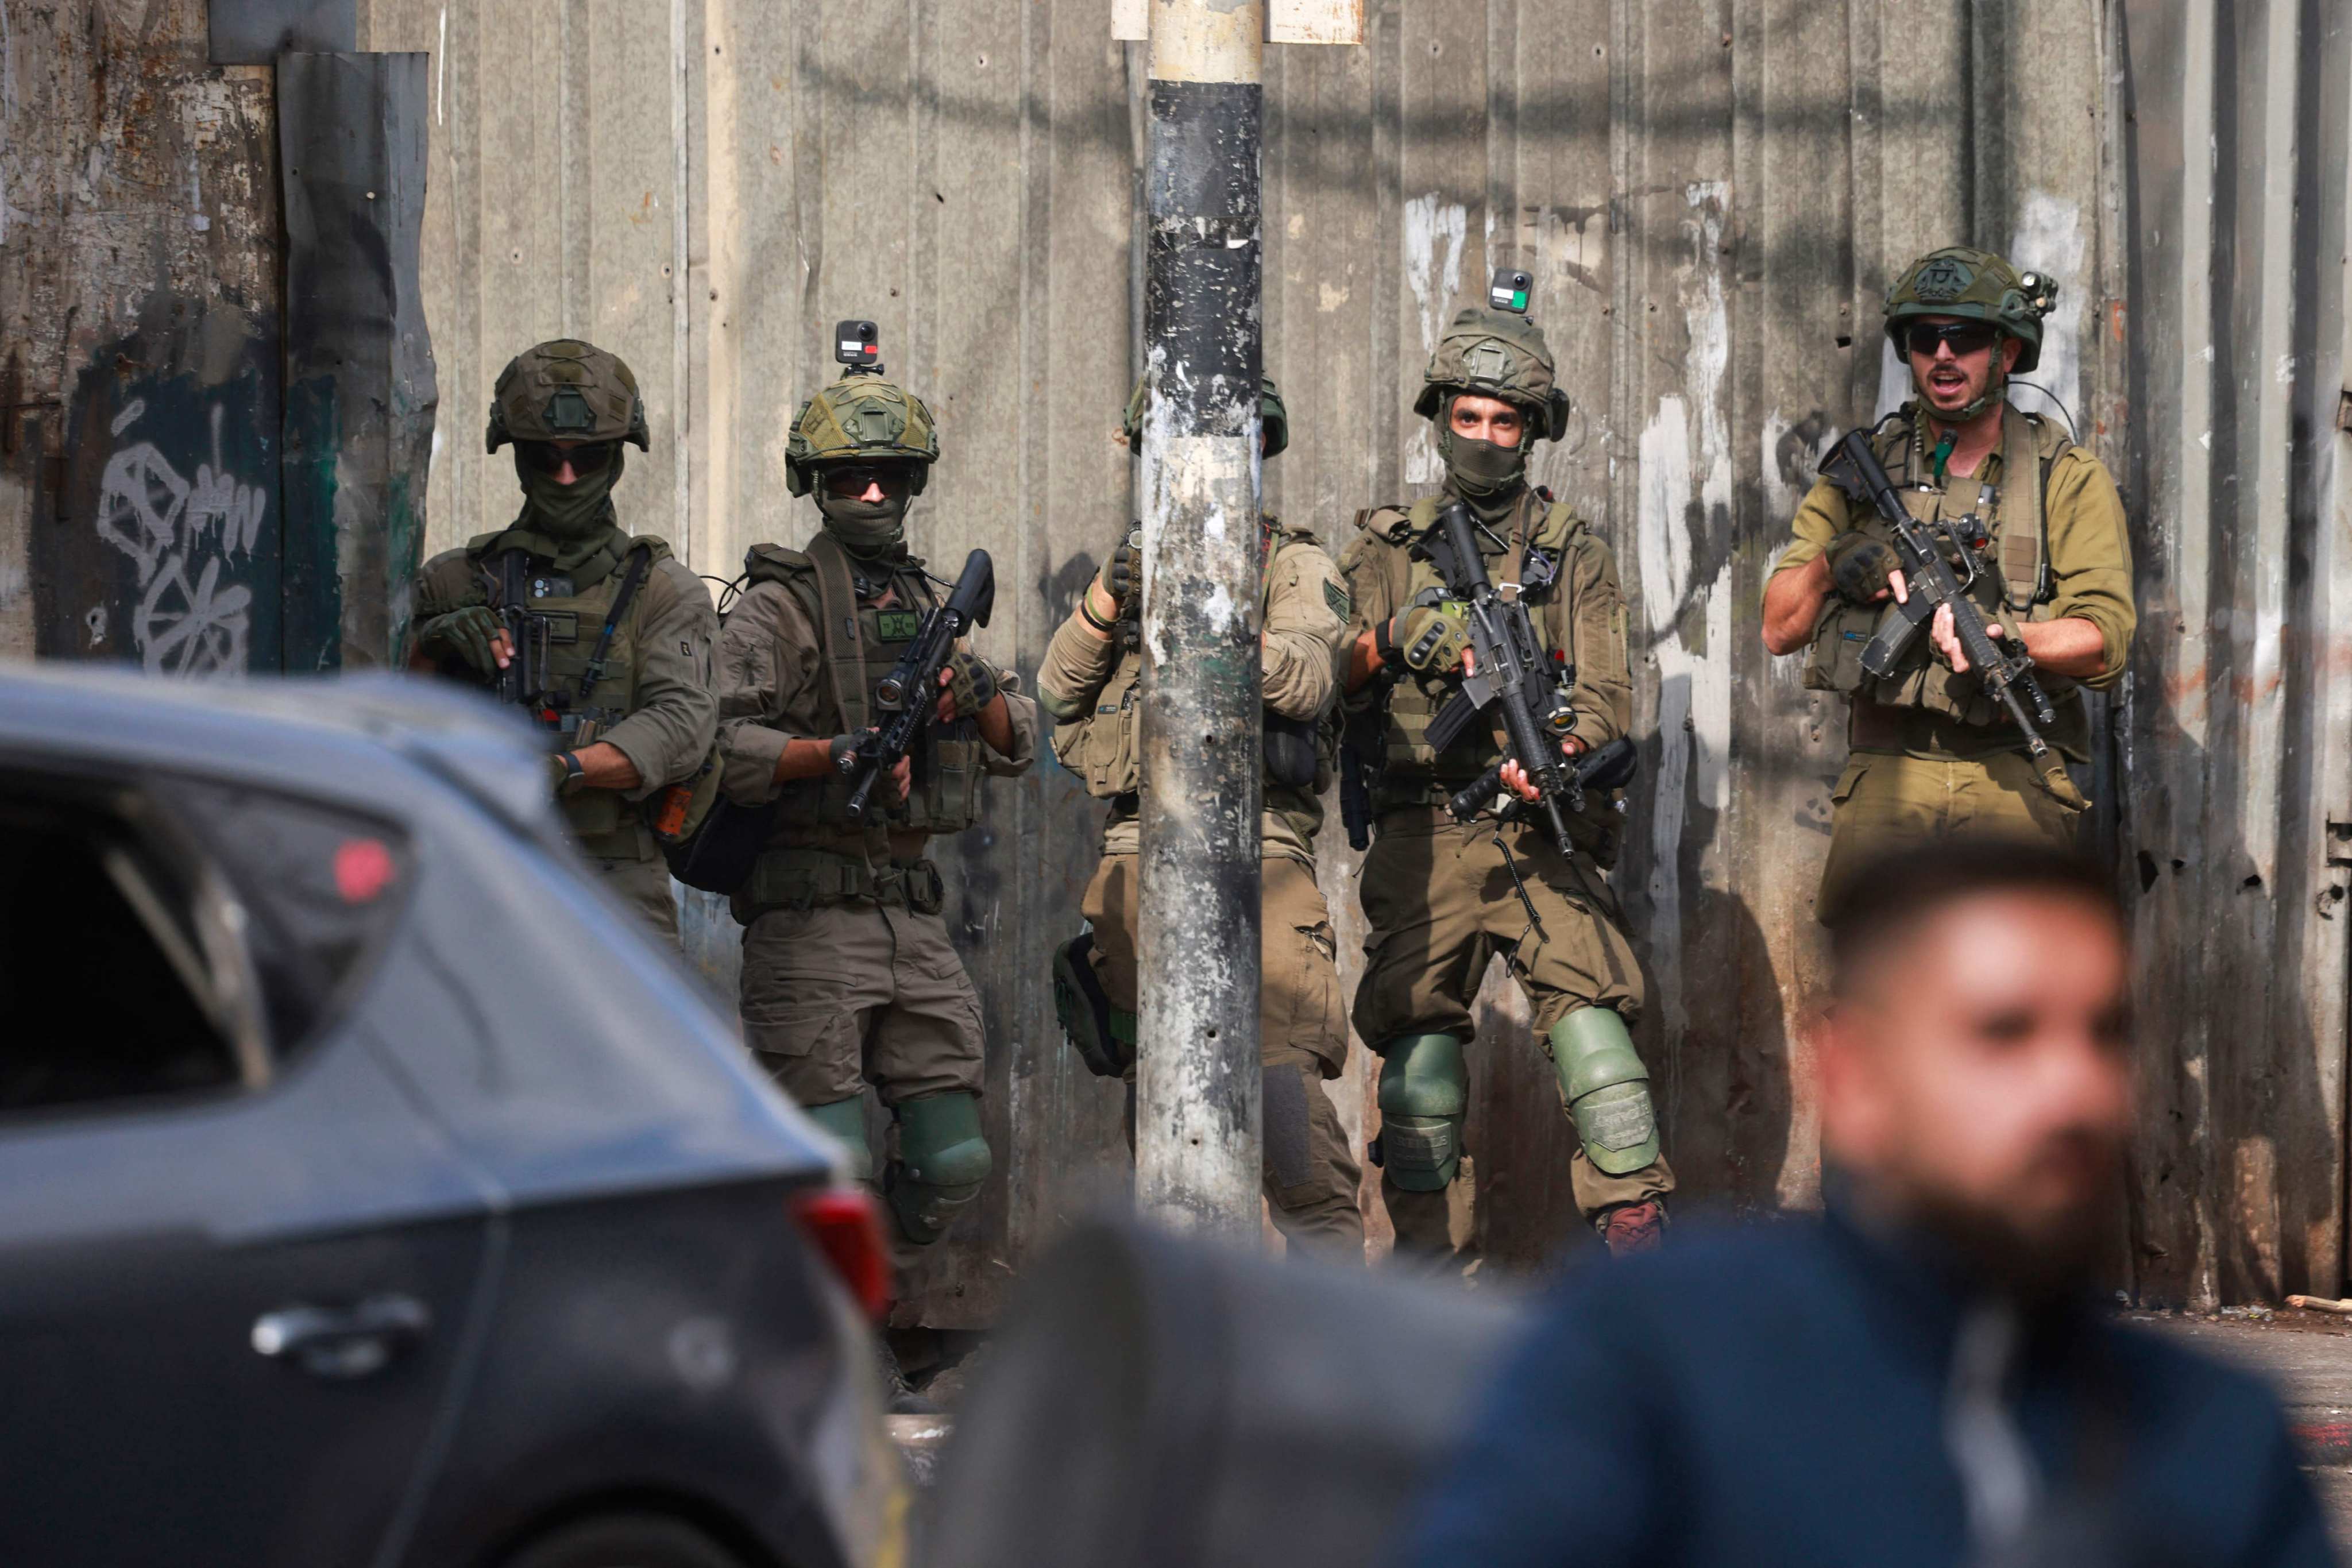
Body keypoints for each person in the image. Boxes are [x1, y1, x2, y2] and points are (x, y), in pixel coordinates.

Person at [1396, 836, 2335, 1568]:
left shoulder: (2217, 1434)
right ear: (1851, 1077)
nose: (2076, 1093)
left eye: (2106, 1035)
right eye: (2003, 1034)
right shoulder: (1660, 1357)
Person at [1337, 299, 1669, 1262]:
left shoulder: (1576, 553)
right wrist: (1397, 637)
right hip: (1426, 827)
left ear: (1535, 429)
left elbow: (1608, 694)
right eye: (1469, 417)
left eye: (1506, 421)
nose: (1485, 438)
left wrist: (1557, 759)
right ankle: (1434, 1286)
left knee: (1600, 1048)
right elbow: (1325, 676)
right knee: (1418, 1076)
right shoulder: (1386, 549)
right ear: (1441, 419)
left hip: (1537, 830)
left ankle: (1640, 1260)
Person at [712, 338, 1036, 1293]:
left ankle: (851, 1307)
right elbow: (713, 743)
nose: (869, 497)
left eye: (888, 477)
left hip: (911, 913)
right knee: (833, 1170)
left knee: (952, 1163)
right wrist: (833, 756)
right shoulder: (779, 609)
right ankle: (818, 1338)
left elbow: (1019, 740)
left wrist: (970, 688)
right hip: (808, 915)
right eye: (848, 479)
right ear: (814, 483)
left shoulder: (932, 603)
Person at [1040, 377, 1365, 1262]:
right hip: (1140, 853)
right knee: (1167, 1128)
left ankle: (1330, 1366)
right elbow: (1055, 693)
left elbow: (1303, 678)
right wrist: (1112, 595)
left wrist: (1205, 593)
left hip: (1256, 857)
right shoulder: (1130, 566)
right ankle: (1190, 1373)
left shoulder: (1293, 564)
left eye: (1236, 445)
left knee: (1288, 1127)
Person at [1760, 247, 2136, 924]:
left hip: (2011, 765)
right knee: (1877, 983)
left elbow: (2106, 643)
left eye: (1964, 338)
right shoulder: (1862, 470)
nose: (1942, 355)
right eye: (1923, 337)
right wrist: (1829, 566)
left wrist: (2006, 637)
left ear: (2009, 353)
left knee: (2013, 979)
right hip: (1885, 763)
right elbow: (1779, 629)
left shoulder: (2065, 476)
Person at [411, 338, 717, 944]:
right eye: (548, 458)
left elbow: (682, 723)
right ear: (518, 456)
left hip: (614, 880)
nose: (568, 476)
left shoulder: (661, 590)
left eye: (588, 458)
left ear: (620, 458)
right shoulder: (452, 581)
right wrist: (430, 648)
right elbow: (381, 725)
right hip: (478, 871)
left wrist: (565, 770)